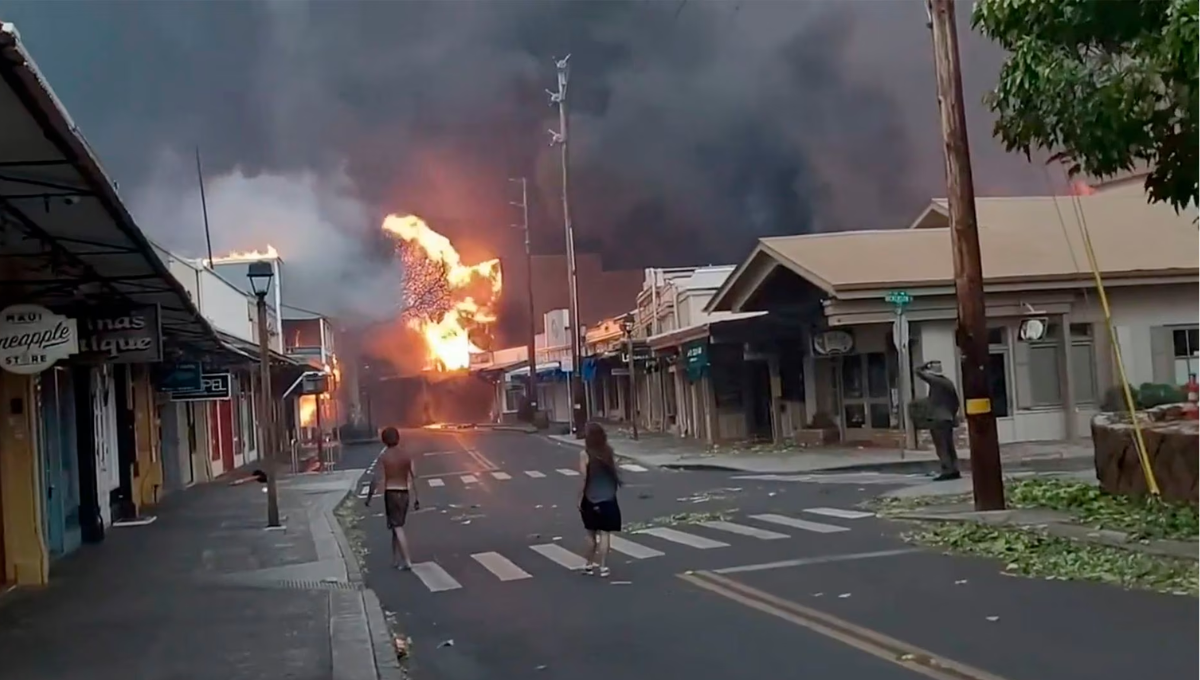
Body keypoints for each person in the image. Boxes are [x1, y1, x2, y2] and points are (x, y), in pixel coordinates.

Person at [365, 426, 420, 570]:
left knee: (397, 526)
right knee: (395, 526)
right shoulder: (406, 455)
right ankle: (395, 559)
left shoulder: (384, 457)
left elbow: (375, 479)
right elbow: (414, 476)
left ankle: (407, 560)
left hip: (391, 493)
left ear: (384, 440)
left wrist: (369, 497)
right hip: (404, 493)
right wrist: (417, 498)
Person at [578, 422, 623, 577]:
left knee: (590, 534)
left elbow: (584, 478)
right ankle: (603, 567)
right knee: (605, 534)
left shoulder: (585, 454)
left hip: (591, 498)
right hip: (609, 498)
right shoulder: (608, 451)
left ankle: (588, 565)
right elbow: (614, 472)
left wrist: (579, 497)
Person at [915, 360, 962, 481]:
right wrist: (951, 414)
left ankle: (947, 470)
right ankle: (954, 469)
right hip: (947, 418)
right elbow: (956, 402)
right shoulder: (948, 383)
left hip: (937, 419)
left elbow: (918, 372)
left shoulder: (936, 382)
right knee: (949, 445)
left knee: (941, 446)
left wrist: (924, 365)